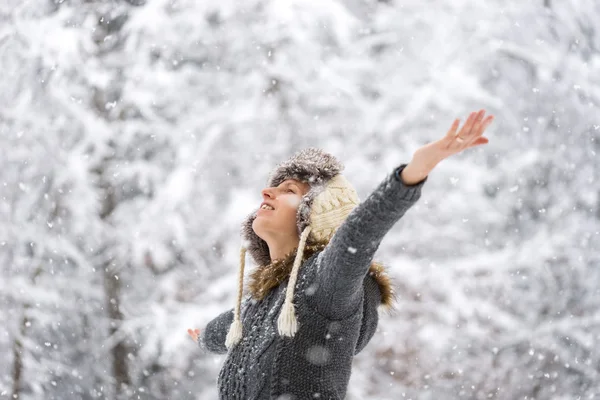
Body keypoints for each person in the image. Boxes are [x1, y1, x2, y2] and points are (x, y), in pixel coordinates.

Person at [188, 110, 494, 399]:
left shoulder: (324, 284)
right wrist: (202, 336)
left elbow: (359, 233)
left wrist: (413, 173)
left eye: (289, 190)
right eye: (273, 187)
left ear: (315, 215)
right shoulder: (262, 303)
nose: (267, 192)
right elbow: (226, 328)